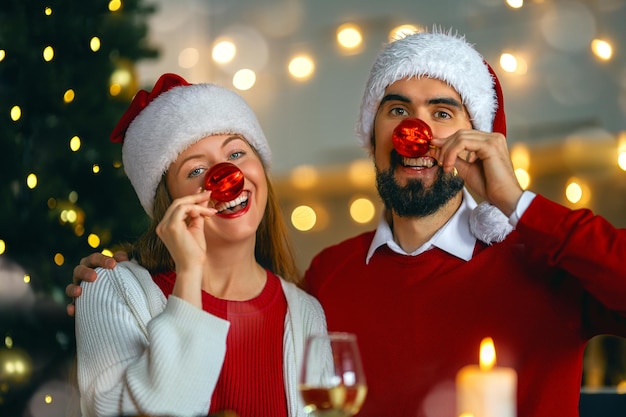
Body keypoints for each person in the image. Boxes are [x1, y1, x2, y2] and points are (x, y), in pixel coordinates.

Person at [68, 30, 626, 417]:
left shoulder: (544, 260)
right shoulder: (329, 278)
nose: (418, 130)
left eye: (443, 111)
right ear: (373, 135)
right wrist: (123, 274)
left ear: (475, 136)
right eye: (397, 109)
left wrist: (517, 202)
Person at [72, 73, 328, 417]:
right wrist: (190, 274)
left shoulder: (306, 313)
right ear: (168, 202)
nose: (225, 177)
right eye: (195, 171)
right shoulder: (108, 288)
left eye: (237, 152)